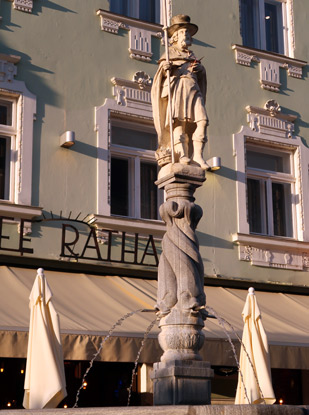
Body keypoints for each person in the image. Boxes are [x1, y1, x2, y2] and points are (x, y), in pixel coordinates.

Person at [151, 14, 209, 169]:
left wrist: (200, 69)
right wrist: (166, 69)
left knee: (202, 121)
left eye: (188, 33)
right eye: (184, 32)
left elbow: (201, 75)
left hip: (193, 90)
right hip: (178, 90)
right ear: (175, 37)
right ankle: (182, 154)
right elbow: (161, 75)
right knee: (179, 123)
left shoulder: (191, 55)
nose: (187, 36)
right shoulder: (169, 54)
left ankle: (197, 155)